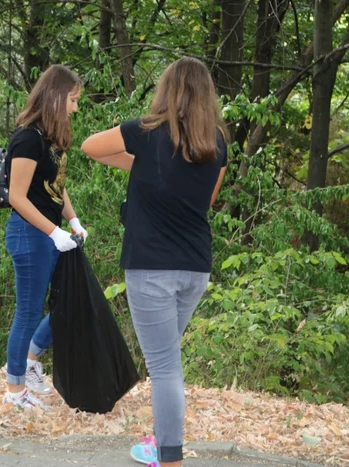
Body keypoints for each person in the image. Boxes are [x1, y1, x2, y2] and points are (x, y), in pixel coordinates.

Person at [81, 57, 228, 467]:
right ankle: (162, 441)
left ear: (168, 90)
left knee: (164, 368)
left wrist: (140, 162)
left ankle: (169, 456)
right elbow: (208, 199)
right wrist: (145, 169)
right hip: (195, 269)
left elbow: (89, 146)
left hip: (151, 270)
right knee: (168, 361)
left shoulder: (145, 132)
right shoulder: (217, 142)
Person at [4, 65, 88, 409]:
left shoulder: (52, 140)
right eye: (72, 100)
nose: (75, 108)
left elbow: (57, 187)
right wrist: (53, 232)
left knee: (67, 303)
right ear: (55, 97)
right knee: (27, 311)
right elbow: (17, 197)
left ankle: (32, 361)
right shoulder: (27, 138)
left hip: (51, 235)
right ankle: (14, 390)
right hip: (30, 235)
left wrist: (73, 220)